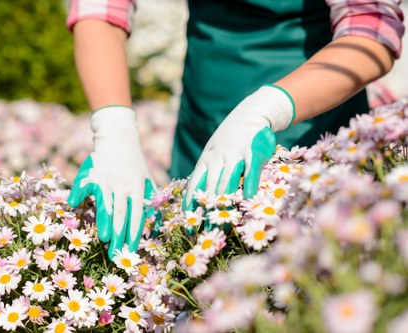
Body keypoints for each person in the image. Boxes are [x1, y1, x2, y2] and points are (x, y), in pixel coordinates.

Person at [65, 0, 405, 257]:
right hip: (200, 128)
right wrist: (113, 128)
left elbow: (370, 33)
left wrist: (265, 109)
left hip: (308, 132)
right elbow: (100, 10)